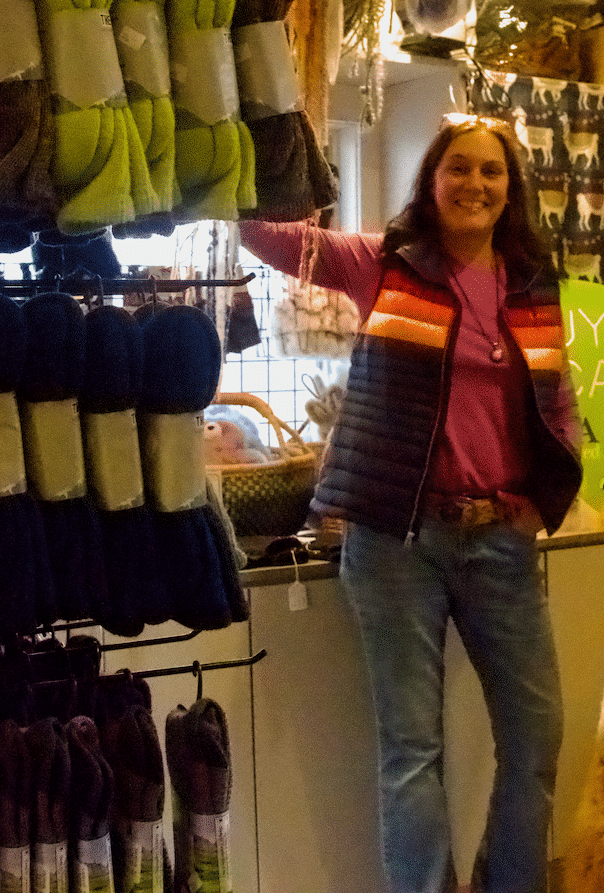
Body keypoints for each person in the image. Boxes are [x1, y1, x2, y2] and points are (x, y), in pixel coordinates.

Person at [239, 113, 581, 893]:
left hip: (501, 540)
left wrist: (547, 496)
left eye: (492, 172)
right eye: (459, 168)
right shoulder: (385, 266)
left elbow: (557, 400)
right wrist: (260, 138)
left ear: (511, 189)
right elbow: (262, 234)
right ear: (432, 179)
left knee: (536, 737)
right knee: (411, 748)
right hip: (397, 542)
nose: (475, 184)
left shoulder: (531, 283)